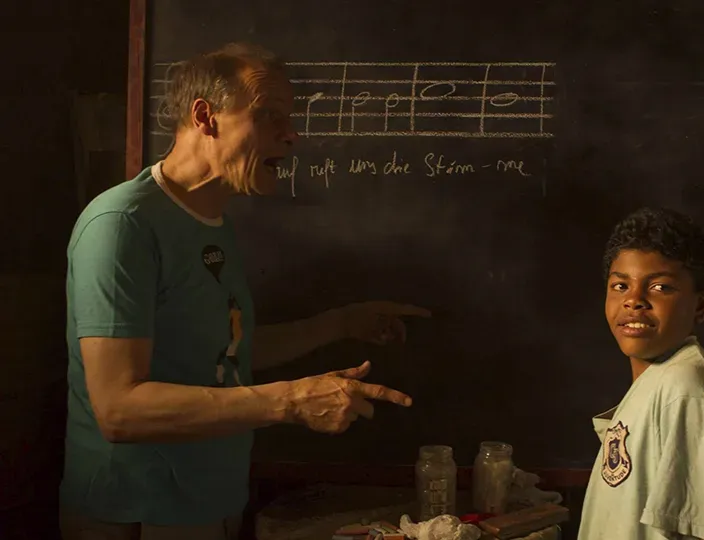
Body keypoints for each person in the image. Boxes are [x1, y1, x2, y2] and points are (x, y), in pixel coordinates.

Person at [60, 42, 430, 539]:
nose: (292, 136)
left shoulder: (213, 225)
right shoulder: (122, 225)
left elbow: (226, 352)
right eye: (269, 116)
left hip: (211, 501)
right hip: (137, 512)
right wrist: (292, 401)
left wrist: (340, 324)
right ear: (205, 116)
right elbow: (119, 409)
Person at [578, 207, 704, 540]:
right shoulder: (657, 379)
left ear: (700, 307)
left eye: (660, 288)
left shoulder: (686, 386)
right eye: (620, 285)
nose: (634, 301)